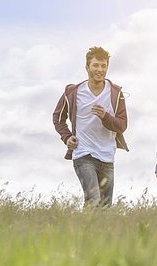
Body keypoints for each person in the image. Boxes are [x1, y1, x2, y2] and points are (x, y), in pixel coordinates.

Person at [52, 46, 129, 207]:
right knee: (93, 200)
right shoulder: (73, 92)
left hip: (107, 156)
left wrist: (105, 117)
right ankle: (82, 231)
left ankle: (94, 232)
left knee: (105, 207)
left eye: (103, 66)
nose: (99, 70)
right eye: (95, 65)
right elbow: (58, 118)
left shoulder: (116, 93)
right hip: (83, 154)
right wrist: (67, 138)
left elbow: (122, 125)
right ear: (87, 67)